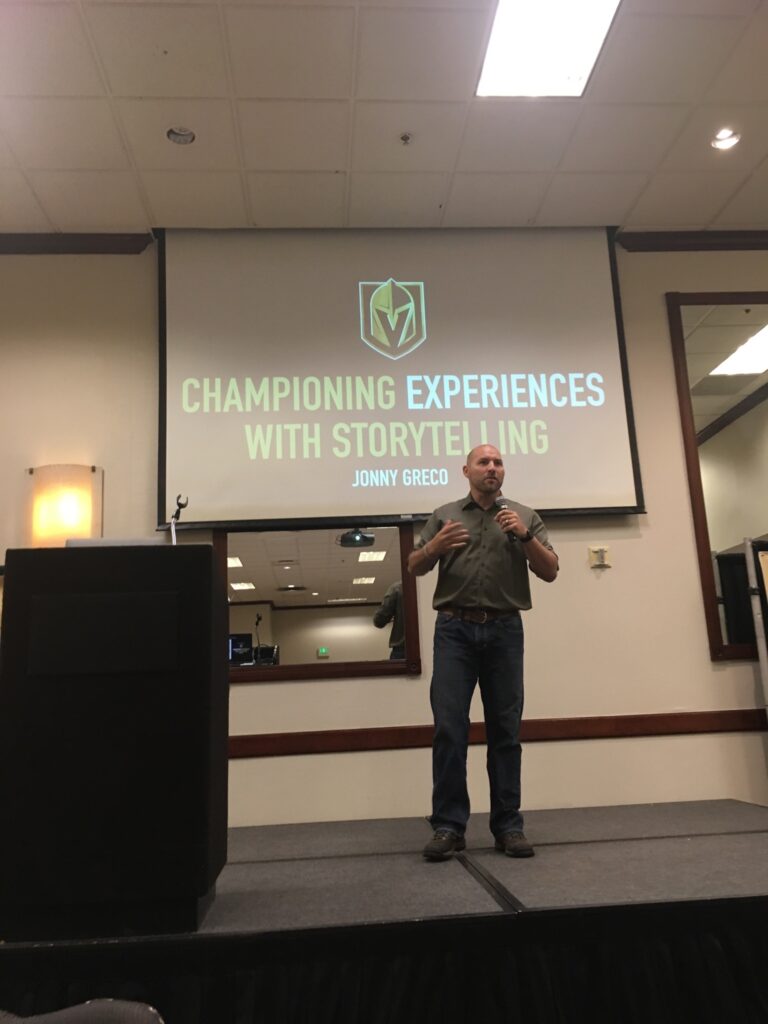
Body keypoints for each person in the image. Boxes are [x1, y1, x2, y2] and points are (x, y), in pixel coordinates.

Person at [407, 444, 558, 861]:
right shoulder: (444, 514)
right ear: (466, 471)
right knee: (450, 729)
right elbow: (415, 566)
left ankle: (508, 826)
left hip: (505, 631)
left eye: (498, 463)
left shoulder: (524, 515)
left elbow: (549, 571)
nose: (492, 469)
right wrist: (434, 547)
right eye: (483, 463)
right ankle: (448, 827)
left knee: (505, 731)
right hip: (454, 631)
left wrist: (524, 537)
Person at [372, 580, 405, 659]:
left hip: (402, 649)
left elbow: (379, 621)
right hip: (427, 644)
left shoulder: (397, 588)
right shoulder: (429, 588)